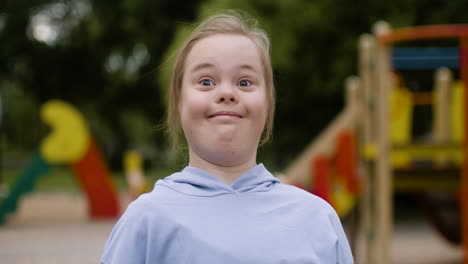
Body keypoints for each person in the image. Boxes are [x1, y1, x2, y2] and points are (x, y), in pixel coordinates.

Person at [101, 10, 354, 264]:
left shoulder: (318, 219)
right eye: (206, 81)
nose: (226, 93)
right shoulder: (146, 221)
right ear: (179, 102)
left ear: (267, 103)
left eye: (244, 82)